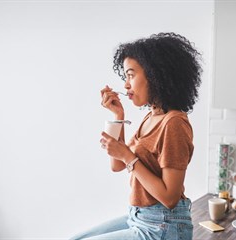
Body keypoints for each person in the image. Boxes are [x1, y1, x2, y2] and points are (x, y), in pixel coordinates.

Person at [71, 32, 202, 240]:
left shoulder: (174, 123)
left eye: (131, 75)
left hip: (164, 226)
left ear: (155, 75)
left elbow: (169, 197)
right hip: (140, 217)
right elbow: (117, 165)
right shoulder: (151, 116)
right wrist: (118, 115)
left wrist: (128, 157)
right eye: (125, 77)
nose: (126, 84)